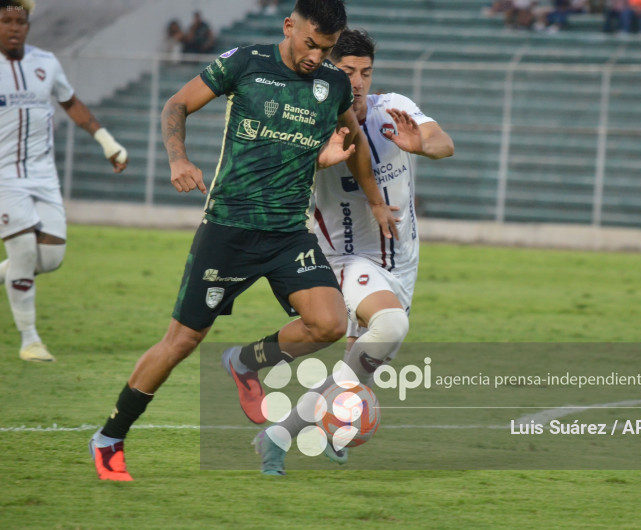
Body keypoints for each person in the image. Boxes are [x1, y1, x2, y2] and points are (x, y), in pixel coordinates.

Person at [88, 0, 397, 482]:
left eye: (328, 49)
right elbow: (177, 104)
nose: (317, 56)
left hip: (288, 234)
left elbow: (352, 140)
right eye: (311, 43)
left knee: (330, 323)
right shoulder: (245, 62)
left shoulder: (332, 84)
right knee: (182, 340)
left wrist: (374, 199)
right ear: (289, 26)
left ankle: (243, 362)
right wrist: (178, 159)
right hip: (229, 229)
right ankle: (110, 436)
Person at [247, 28, 454, 476]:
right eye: (347, 71)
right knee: (392, 324)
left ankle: (277, 436)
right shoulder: (308, 121)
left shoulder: (391, 109)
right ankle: (254, 364)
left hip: (401, 261)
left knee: (355, 373)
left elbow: (444, 142)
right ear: (326, 69)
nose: (357, 81)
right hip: (344, 259)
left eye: (365, 72)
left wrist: (423, 146)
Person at [0, 0, 127, 363]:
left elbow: (70, 102)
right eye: (6, 21)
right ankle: (29, 341)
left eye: (20, 22)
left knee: (51, 258)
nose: (14, 28)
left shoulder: (45, 63)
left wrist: (107, 142)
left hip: (43, 175)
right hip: (4, 175)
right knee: (23, 250)